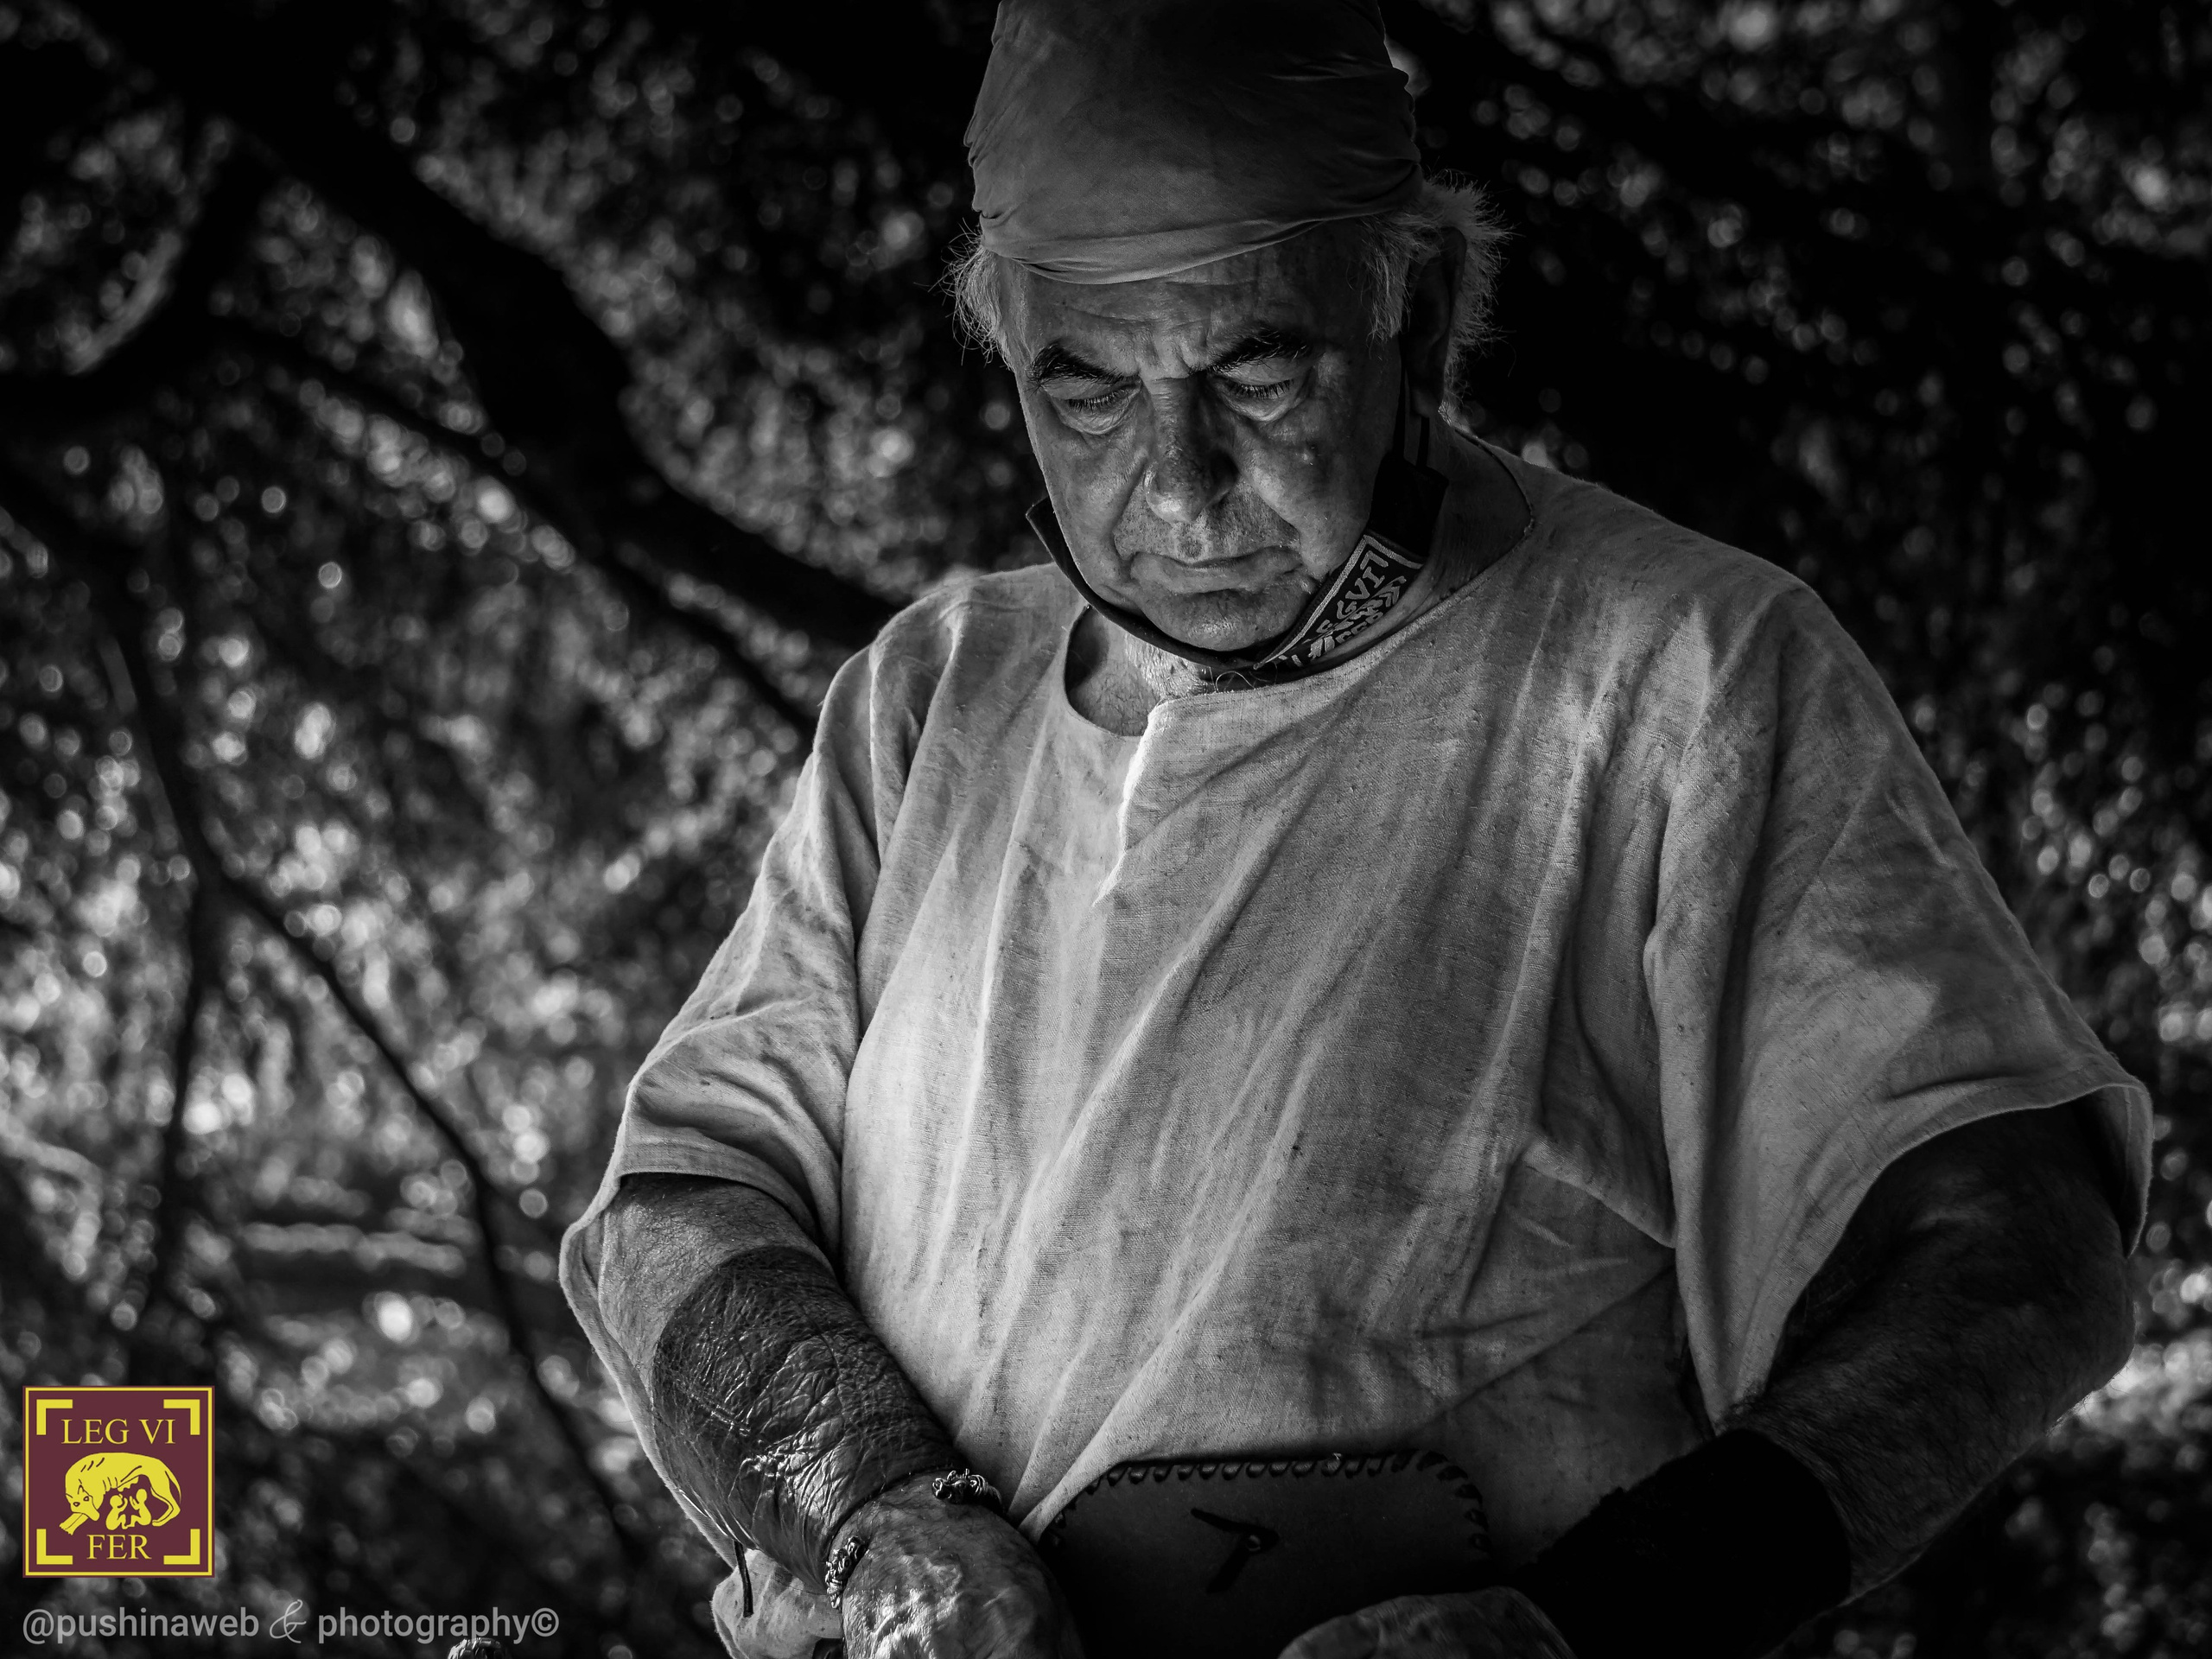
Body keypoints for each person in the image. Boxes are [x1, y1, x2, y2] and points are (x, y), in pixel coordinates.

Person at [560, 3, 2150, 1656]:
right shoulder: (933, 696)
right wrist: (880, 1511)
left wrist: (1594, 1623)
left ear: (1422, 313)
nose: (1177, 490)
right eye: (1087, 390)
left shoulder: (1681, 674)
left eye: (1256, 368)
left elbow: (2012, 1248)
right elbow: (674, 1211)